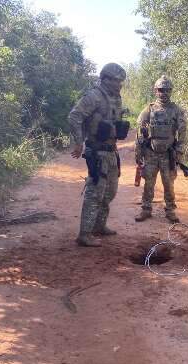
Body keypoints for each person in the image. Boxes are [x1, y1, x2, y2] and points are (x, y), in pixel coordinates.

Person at [68, 63, 129, 247]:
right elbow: (74, 116)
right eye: (116, 81)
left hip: (111, 151)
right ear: (105, 79)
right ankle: (84, 234)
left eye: (121, 81)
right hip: (97, 151)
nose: (119, 84)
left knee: (110, 191)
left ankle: (99, 226)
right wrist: (79, 142)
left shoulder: (115, 97)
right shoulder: (94, 96)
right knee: (95, 192)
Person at [134, 75, 187, 223]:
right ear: (156, 91)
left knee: (169, 184)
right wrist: (138, 152)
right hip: (151, 153)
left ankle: (170, 211)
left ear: (171, 91)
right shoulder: (148, 109)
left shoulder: (176, 110)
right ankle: (146, 209)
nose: (164, 93)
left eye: (167, 90)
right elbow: (139, 131)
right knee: (149, 182)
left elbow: (183, 131)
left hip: (168, 154)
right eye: (161, 90)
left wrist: (179, 151)